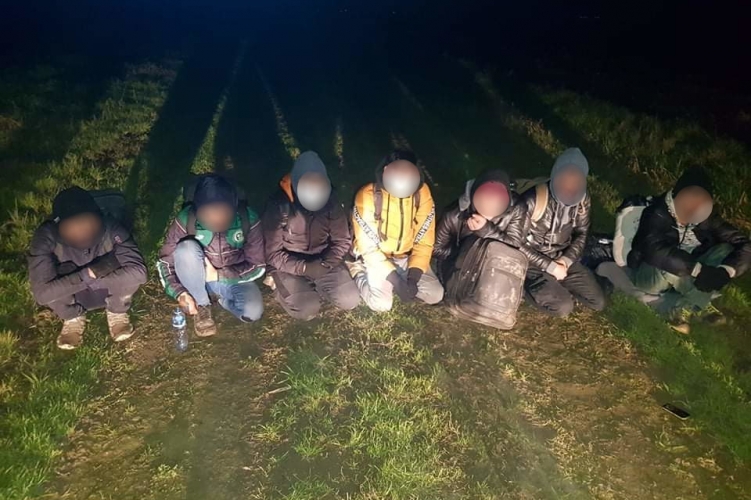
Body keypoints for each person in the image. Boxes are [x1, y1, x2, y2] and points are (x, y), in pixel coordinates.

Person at [628, 166, 751, 330]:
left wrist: (725, 271)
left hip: (688, 273)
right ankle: (697, 304)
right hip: (650, 274)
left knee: (726, 249)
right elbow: (655, 251)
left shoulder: (706, 217)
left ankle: (688, 304)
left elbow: (744, 245)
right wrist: (698, 271)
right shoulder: (656, 213)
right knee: (670, 260)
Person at [28, 186, 147, 349]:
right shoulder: (46, 237)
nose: (81, 231)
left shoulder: (111, 227)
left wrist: (93, 279)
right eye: (72, 226)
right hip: (69, 293)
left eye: (87, 222)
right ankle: (72, 316)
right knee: (51, 291)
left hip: (108, 286)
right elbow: (41, 294)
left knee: (126, 271)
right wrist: (87, 276)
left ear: (98, 216)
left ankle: (117, 310)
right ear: (58, 224)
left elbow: (139, 272)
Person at [157, 174, 265, 337]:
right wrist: (179, 293)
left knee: (252, 313)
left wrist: (220, 275)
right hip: (196, 277)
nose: (216, 220)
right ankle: (202, 305)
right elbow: (165, 261)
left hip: (234, 278)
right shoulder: (186, 219)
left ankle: (220, 299)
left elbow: (258, 265)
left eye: (224, 213)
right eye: (208, 214)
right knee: (186, 248)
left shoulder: (247, 218)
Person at [263, 151, 359, 320]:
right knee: (306, 309)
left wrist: (326, 263)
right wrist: (303, 268)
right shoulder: (279, 205)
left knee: (350, 300)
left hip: (323, 259)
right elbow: (272, 253)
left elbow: (342, 240)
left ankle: (318, 286)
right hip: (288, 264)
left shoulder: (331, 201)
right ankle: (281, 285)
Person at [350, 150, 444, 311]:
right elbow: (368, 247)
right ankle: (358, 271)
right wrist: (396, 280)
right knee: (381, 304)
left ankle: (396, 280)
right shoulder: (367, 195)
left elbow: (425, 238)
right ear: (386, 171)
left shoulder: (422, 193)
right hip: (378, 257)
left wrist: (414, 277)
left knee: (435, 295)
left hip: (406, 257)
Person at [521, 147, 606, 317]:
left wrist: (565, 261)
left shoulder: (583, 200)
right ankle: (522, 288)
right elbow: (516, 242)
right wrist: (550, 267)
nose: (569, 185)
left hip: (561, 257)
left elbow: (582, 233)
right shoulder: (534, 198)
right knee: (563, 308)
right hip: (532, 262)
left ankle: (554, 284)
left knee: (598, 302)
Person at [434, 169, 528, 280]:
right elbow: (436, 249)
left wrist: (486, 230)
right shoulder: (454, 214)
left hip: (496, 267)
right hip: (457, 269)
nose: (489, 206)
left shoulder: (516, 208)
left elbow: (514, 245)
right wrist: (466, 255)